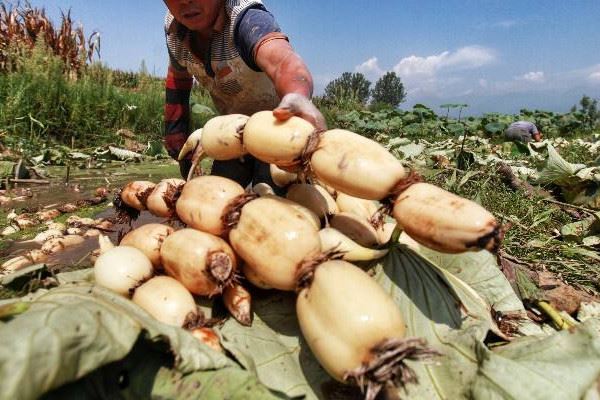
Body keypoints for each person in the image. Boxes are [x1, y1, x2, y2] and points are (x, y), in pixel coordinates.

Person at [161, 0, 326, 188]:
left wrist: (297, 97)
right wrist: (176, 134)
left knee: (272, 196)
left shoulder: (245, 18)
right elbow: (178, 77)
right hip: (232, 131)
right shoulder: (174, 28)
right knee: (219, 197)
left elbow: (282, 62)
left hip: (278, 129)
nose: (184, 1)